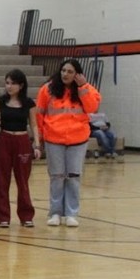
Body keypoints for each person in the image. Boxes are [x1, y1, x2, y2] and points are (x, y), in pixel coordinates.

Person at [36, 59, 101, 227]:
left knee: (73, 177)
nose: (65, 74)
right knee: (56, 177)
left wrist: (83, 87)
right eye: (63, 70)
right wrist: (40, 139)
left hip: (78, 140)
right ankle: (55, 212)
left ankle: (71, 213)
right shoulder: (47, 89)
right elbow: (39, 115)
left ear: (77, 74)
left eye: (70, 72)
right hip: (53, 138)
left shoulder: (86, 89)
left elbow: (92, 108)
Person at [0, 69, 41, 228]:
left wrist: (37, 144)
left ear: (21, 85)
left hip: (22, 141)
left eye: (13, 83)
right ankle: (3, 217)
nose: (9, 86)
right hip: (4, 141)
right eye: (7, 83)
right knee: (2, 180)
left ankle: (26, 215)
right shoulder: (0, 101)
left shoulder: (29, 103)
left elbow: (34, 124)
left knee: (23, 181)